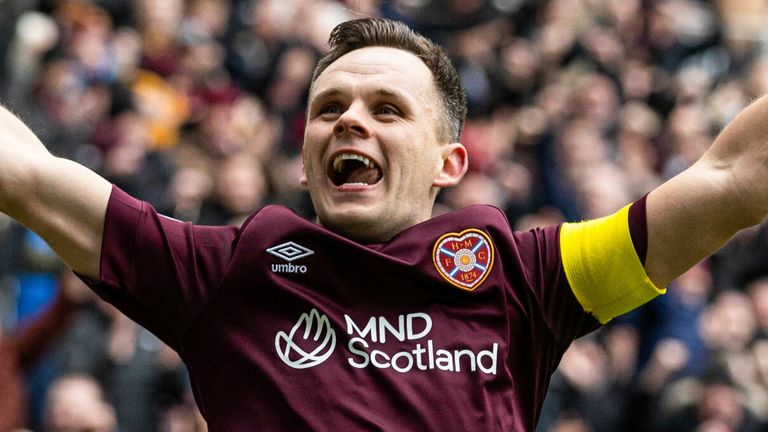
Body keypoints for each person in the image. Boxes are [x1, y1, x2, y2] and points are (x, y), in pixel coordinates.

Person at [0, 17, 767, 431]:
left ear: (450, 163)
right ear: (302, 161)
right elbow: (30, 175)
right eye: (328, 109)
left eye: (387, 109)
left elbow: (732, 178)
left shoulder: (528, 276)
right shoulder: (229, 268)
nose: (349, 123)